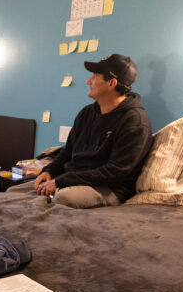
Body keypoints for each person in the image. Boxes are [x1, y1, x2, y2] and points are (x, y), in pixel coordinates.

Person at [10, 54, 152, 208]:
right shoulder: (87, 113)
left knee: (62, 198)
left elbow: (113, 173)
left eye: (95, 76)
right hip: (71, 180)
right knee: (12, 193)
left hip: (107, 188)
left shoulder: (135, 122)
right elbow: (67, 151)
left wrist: (60, 181)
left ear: (111, 83)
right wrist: (49, 171)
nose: (88, 81)